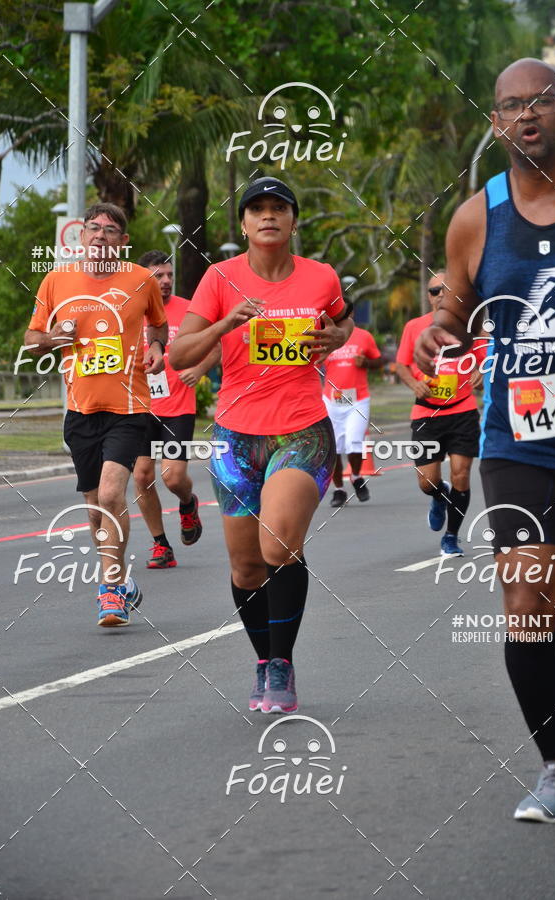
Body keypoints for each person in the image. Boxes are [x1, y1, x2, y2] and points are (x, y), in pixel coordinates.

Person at [415, 58, 555, 823]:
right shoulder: (476, 216)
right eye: (512, 106)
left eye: (542, 102)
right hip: (516, 436)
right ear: (495, 123)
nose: (528, 116)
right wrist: (437, 337)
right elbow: (454, 312)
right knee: (526, 605)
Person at [170, 176, 353, 714]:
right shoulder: (220, 277)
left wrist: (336, 339)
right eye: (257, 209)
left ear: (294, 220)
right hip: (234, 434)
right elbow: (180, 355)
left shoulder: (321, 277)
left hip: (301, 429)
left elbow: (342, 324)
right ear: (244, 224)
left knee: (278, 548)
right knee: (246, 567)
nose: (268, 216)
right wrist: (226, 322)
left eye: (279, 208)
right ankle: (263, 661)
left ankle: (281, 664)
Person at [25, 203, 167, 627]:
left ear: (123, 241)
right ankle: (122, 579)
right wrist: (52, 337)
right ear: (81, 236)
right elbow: (32, 339)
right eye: (93, 228)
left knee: (110, 496)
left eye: (111, 230)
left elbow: (157, 323)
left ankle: (109, 593)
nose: (100, 235)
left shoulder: (141, 280)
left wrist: (157, 348)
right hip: (80, 410)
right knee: (93, 509)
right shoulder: (56, 281)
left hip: (127, 407)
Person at [133, 250, 220, 569]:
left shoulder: (188, 310)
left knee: (172, 477)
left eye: (169, 275)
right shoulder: (129, 312)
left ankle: (188, 503)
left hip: (177, 408)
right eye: (159, 276)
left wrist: (199, 371)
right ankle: (161, 545)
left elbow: (216, 345)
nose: (166, 281)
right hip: (139, 408)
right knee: (142, 476)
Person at [397, 272, 486, 557]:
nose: (440, 295)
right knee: (427, 481)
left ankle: (451, 536)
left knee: (462, 475)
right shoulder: (414, 327)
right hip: (426, 413)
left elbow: (487, 358)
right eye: (435, 290)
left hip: (463, 410)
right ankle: (438, 496)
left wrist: (480, 372)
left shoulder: (470, 327)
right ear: (428, 295)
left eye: (446, 289)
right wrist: (414, 383)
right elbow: (401, 365)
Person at [322, 319, 383, 506]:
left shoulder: (363, 336)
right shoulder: (323, 335)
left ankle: (356, 477)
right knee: (334, 448)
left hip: (358, 399)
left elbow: (378, 361)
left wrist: (367, 363)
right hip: (331, 400)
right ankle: (339, 490)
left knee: (354, 442)